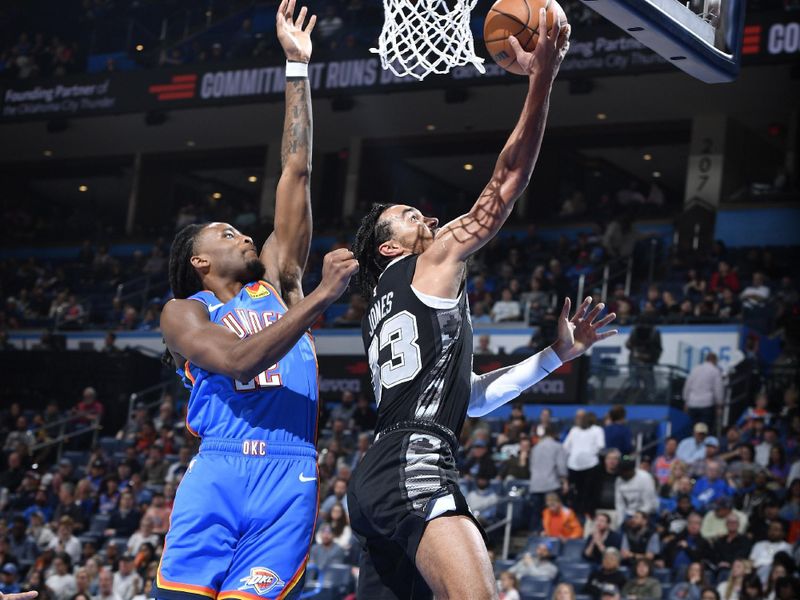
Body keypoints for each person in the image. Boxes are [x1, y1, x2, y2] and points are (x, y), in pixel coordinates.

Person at [347, 17, 581, 600]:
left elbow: (473, 398)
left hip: (381, 471)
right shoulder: (423, 264)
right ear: (389, 247)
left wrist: (557, 354)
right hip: (414, 462)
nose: (423, 215)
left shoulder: (389, 302)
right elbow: (503, 185)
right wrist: (542, 80)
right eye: (406, 215)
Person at [154, 5, 358, 598]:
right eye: (224, 233)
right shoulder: (184, 312)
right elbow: (240, 361)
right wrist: (321, 296)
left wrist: (296, 70)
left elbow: (296, 170)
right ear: (199, 262)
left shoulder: (277, 279)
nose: (242, 234)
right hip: (217, 470)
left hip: (289, 470)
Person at [564, 409, 606, 517]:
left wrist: (588, 454)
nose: (580, 420)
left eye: (582, 417)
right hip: (574, 467)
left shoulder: (597, 430)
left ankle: (588, 516)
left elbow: (600, 446)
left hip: (590, 467)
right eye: (578, 417)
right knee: (574, 495)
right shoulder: (574, 430)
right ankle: (575, 516)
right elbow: (566, 447)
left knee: (589, 495)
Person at [529, 423, 568, 531]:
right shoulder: (557, 446)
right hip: (551, 486)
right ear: (554, 434)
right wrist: (565, 481)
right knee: (551, 515)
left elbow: (531, 467)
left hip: (535, 486)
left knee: (536, 515)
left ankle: (534, 539)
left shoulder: (535, 448)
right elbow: (561, 467)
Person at [683, 353, 724, 430]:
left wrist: (686, 401)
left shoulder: (695, 369)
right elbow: (718, 389)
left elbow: (687, 386)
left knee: (694, 428)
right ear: (714, 360)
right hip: (706, 404)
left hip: (692, 403)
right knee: (704, 429)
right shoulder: (715, 371)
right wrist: (719, 405)